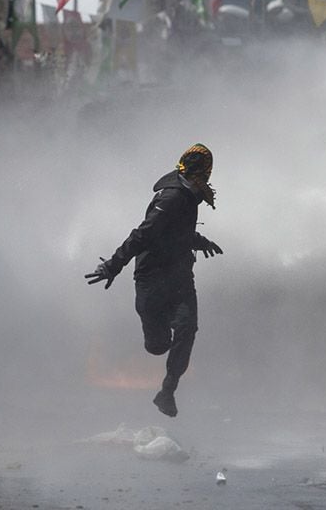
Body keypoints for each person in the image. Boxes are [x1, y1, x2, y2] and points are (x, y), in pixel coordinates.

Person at [85, 143, 223, 417]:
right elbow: (144, 234)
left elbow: (178, 232)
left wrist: (199, 241)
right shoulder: (171, 198)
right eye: (203, 174)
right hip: (151, 277)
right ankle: (152, 346)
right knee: (158, 346)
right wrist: (114, 265)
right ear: (196, 173)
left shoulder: (190, 195)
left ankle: (167, 391)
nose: (206, 181)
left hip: (181, 276)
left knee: (187, 328)